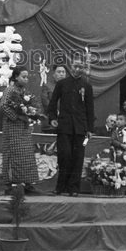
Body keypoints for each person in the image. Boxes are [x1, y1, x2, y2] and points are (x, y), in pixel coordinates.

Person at [48, 58, 94, 197]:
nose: (77, 69)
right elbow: (52, 104)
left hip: (81, 129)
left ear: (83, 68)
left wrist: (90, 129)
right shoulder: (62, 84)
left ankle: (74, 188)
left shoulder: (87, 86)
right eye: (75, 66)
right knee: (64, 156)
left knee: (78, 158)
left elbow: (90, 108)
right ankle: (60, 187)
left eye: (80, 67)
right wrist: (52, 119)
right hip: (64, 127)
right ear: (71, 67)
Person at [0, 66, 41, 194]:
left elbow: (31, 107)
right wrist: (16, 117)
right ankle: (10, 186)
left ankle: (28, 184)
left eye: (27, 77)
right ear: (16, 77)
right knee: (13, 156)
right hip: (12, 128)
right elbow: (3, 106)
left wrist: (31, 113)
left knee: (27, 156)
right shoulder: (10, 90)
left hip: (24, 129)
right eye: (23, 76)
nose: (26, 79)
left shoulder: (25, 92)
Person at [40, 64, 67, 134]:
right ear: (54, 74)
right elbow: (46, 103)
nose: (61, 74)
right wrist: (55, 113)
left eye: (63, 72)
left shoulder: (69, 87)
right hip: (51, 120)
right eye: (59, 72)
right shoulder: (47, 86)